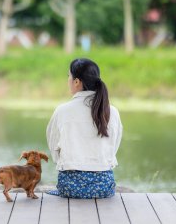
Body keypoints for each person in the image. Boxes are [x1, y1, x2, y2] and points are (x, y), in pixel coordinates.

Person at [46, 58, 123, 199]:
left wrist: (66, 163)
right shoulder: (113, 111)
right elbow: (114, 147)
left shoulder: (62, 111)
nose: (67, 80)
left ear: (76, 81)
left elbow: (53, 145)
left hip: (70, 187)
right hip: (104, 187)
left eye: (68, 76)